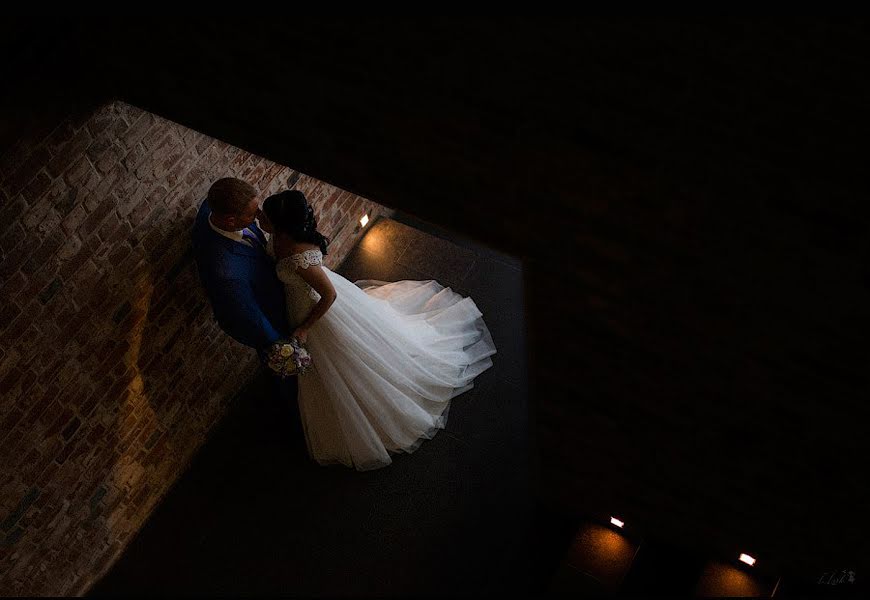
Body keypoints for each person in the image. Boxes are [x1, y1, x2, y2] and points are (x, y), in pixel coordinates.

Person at [259, 189, 497, 471]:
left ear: (280, 225)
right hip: (302, 301)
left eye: (266, 216)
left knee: (346, 361)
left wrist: (304, 328)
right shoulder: (283, 237)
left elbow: (329, 295)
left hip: (317, 312)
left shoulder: (299, 256)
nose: (260, 217)